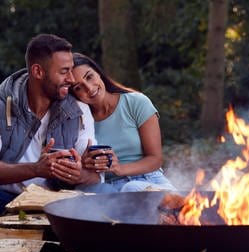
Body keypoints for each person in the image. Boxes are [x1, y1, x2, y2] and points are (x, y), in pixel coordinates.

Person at [0, 34, 113, 214]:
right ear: (38, 72)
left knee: (107, 193)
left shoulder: (78, 110)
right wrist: (36, 169)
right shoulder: (2, 104)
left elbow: (94, 176)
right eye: (64, 71)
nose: (72, 78)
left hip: (60, 201)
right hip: (6, 198)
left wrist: (78, 175)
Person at [70, 52, 176, 192]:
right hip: (107, 189)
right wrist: (85, 164)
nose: (89, 88)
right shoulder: (79, 121)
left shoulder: (136, 102)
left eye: (89, 77)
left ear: (99, 73)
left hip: (147, 182)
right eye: (78, 88)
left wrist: (119, 168)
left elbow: (155, 160)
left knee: (131, 188)